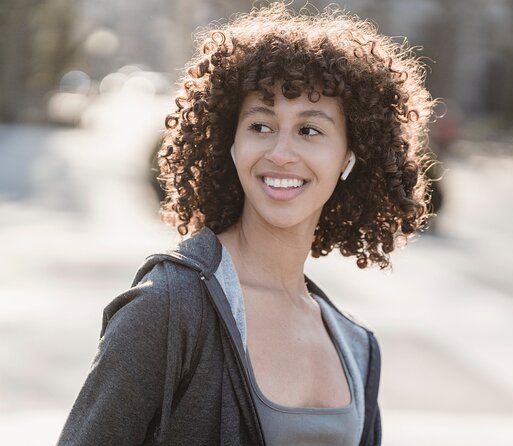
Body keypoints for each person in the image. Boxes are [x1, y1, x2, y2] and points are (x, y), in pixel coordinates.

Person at [58, 3, 435, 445]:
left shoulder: (357, 347)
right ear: (230, 144)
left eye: (310, 131)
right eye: (261, 125)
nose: (280, 152)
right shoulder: (169, 310)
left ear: (350, 157)